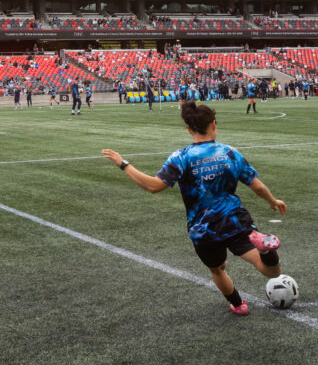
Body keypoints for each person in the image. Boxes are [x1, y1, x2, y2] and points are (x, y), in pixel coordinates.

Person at [101, 101, 286, 316]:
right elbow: (257, 185)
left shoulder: (182, 157)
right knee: (271, 271)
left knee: (217, 269)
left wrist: (123, 164)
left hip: (203, 229)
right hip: (235, 220)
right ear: (214, 124)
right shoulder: (229, 152)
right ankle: (266, 249)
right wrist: (273, 201)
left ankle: (238, 305)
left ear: (190, 130)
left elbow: (153, 186)